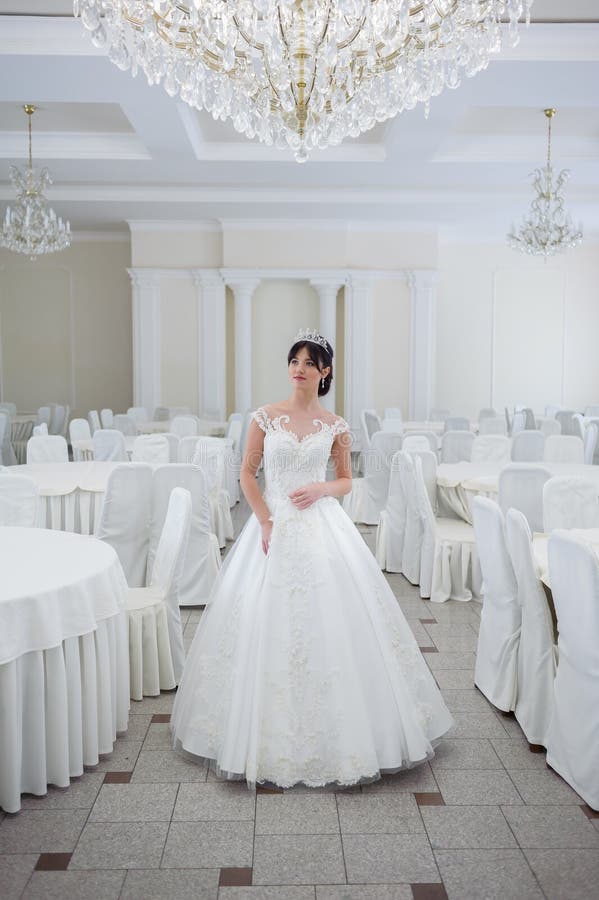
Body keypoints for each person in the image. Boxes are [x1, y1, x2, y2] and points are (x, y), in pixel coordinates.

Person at [171, 329, 453, 787]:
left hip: (322, 523)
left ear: (325, 372)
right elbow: (246, 472)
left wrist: (321, 488)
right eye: (294, 360)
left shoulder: (337, 425)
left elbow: (346, 480)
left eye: (309, 362)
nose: (299, 368)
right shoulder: (265, 417)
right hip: (275, 523)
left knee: (339, 617)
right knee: (262, 615)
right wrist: (263, 520)